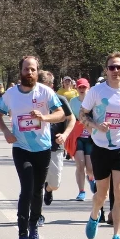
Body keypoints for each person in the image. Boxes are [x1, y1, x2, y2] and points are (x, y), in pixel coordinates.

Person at [0, 56, 67, 239]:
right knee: (26, 189)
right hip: (21, 148)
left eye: (33, 69)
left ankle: (34, 226)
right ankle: (22, 234)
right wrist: (7, 132)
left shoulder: (46, 92)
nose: (30, 73)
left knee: (37, 191)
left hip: (42, 148)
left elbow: (61, 114)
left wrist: (45, 117)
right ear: (21, 71)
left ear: (37, 71)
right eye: (26, 69)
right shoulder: (10, 94)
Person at [80, 53, 120, 239]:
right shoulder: (96, 91)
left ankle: (117, 236)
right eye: (112, 67)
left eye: (119, 67)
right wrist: (96, 125)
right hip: (100, 146)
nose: (115, 71)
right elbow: (82, 115)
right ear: (106, 70)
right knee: (102, 194)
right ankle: (95, 214)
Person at [38, 71, 76, 215]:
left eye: (45, 86)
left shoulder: (60, 99)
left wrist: (65, 135)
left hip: (56, 146)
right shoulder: (33, 100)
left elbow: (71, 119)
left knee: (55, 183)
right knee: (36, 183)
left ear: (51, 86)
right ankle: (38, 214)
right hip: (37, 146)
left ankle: (48, 189)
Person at [69, 78, 95, 202]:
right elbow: (69, 119)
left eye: (84, 87)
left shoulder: (93, 101)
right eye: (80, 87)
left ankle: (91, 178)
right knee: (80, 165)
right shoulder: (73, 102)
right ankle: (81, 191)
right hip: (77, 136)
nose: (82, 89)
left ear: (88, 88)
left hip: (90, 136)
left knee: (90, 168)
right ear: (76, 88)